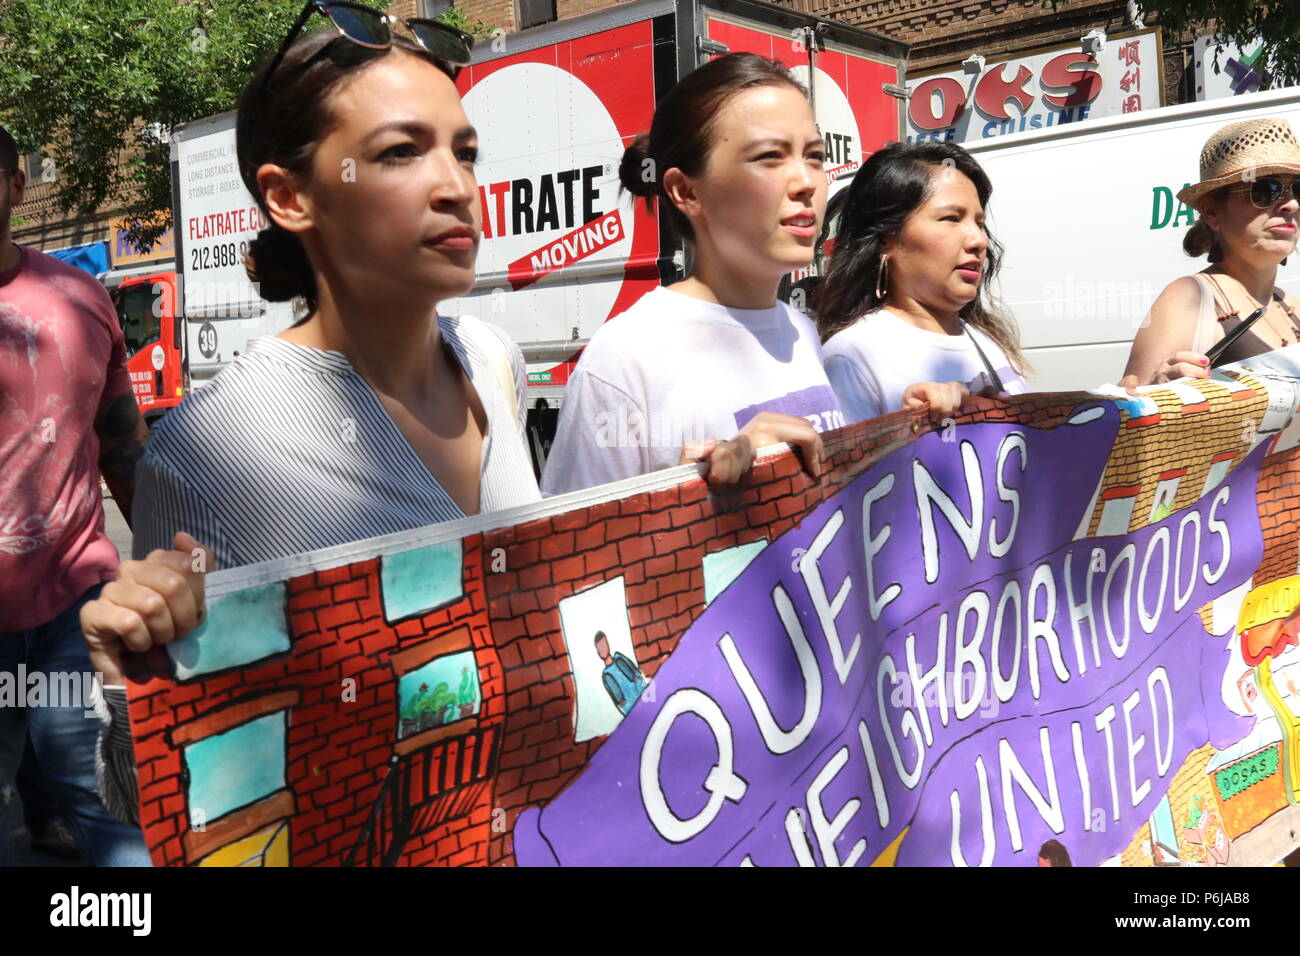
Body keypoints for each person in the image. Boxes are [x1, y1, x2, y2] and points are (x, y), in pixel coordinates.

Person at [78, 10, 538, 823]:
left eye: (463, 151)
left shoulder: (495, 359)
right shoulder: (208, 454)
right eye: (402, 152)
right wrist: (130, 684)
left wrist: (738, 506)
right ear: (289, 197)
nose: (456, 186)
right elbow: (162, 803)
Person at [540, 53, 838, 496]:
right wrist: (689, 498)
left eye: (814, 156)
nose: (806, 182)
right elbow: (573, 556)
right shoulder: (626, 358)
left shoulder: (802, 331)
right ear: (685, 191)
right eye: (770, 156)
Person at [0, 125, 152, 866]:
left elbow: (122, 443)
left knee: (110, 808)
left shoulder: (79, 297)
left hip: (73, 607)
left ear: (15, 183)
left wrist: (162, 564)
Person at [815, 142, 1029, 423]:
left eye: (978, 222)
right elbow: (851, 466)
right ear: (885, 240)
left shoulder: (985, 340)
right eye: (951, 218)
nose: (978, 240)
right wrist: (913, 429)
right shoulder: (852, 357)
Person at [1123, 118, 1300, 385]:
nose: (1291, 205)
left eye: (1298, 190)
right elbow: (1127, 413)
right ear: (1212, 211)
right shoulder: (1188, 298)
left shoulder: (1292, 306)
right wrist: (1157, 389)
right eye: (1266, 190)